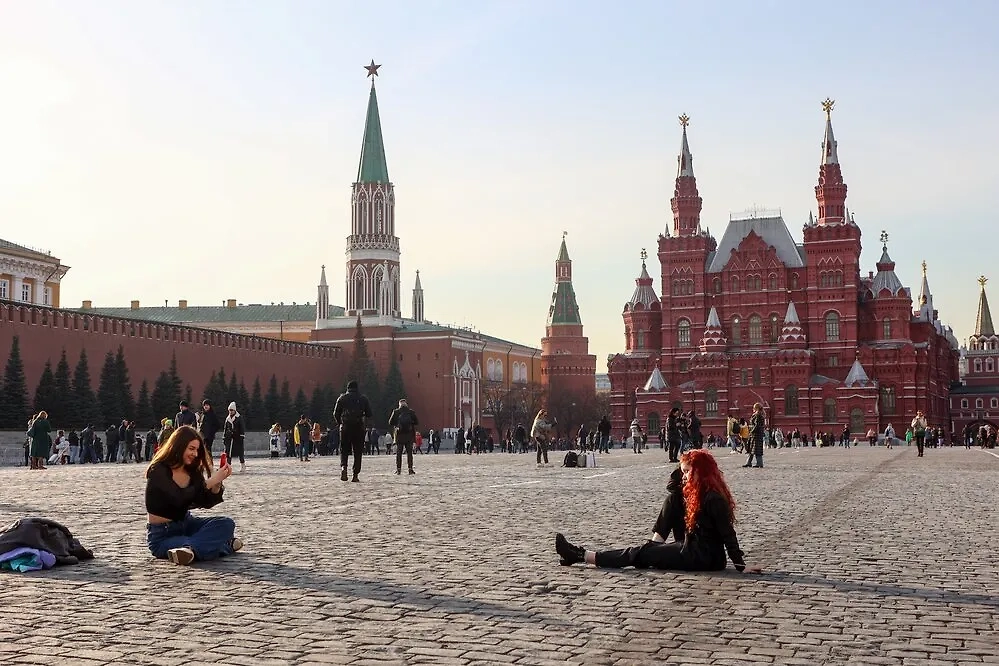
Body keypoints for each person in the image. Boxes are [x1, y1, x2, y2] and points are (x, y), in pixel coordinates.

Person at [554, 449, 762, 574]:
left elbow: (728, 534)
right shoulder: (698, 492)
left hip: (701, 557)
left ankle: (582, 555)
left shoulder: (713, 499)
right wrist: (683, 467)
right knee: (673, 499)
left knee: (640, 553)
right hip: (693, 549)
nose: (684, 477)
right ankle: (653, 548)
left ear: (701, 471)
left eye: (688, 472)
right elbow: (672, 488)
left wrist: (741, 565)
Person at [144, 425, 242, 565]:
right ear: (179, 446)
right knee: (187, 542)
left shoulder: (191, 470)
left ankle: (194, 549)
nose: (195, 454)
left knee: (226, 523)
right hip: (162, 535)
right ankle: (220, 546)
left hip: (187, 523)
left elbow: (203, 501)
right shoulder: (159, 469)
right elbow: (178, 498)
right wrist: (210, 481)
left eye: (197, 450)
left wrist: (217, 484)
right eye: (191, 449)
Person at [333, 380, 373, 482]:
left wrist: (340, 423)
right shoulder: (363, 398)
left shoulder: (342, 398)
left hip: (345, 427)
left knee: (344, 449)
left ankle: (344, 468)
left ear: (348, 388)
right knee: (358, 451)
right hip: (358, 427)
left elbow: (335, 413)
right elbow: (369, 413)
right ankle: (355, 475)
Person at [388, 399, 419, 475]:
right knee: (409, 453)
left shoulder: (396, 412)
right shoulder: (411, 412)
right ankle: (410, 469)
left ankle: (398, 469)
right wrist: (411, 423)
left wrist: (397, 424)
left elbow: (390, 422)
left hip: (399, 435)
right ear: (406, 404)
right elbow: (417, 422)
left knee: (399, 453)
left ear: (399, 404)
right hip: (409, 435)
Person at [223, 402, 246, 473]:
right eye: (229, 410)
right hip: (229, 438)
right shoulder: (227, 419)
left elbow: (242, 427)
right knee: (228, 453)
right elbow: (225, 428)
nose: (230, 411)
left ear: (235, 410)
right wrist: (224, 437)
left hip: (237, 438)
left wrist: (242, 436)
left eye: (232, 410)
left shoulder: (239, 418)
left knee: (240, 453)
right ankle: (228, 467)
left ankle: (243, 465)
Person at [743, 403, 765, 468]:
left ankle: (759, 463)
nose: (753, 409)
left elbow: (756, 425)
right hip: (756, 434)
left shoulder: (758, 415)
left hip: (756, 434)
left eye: (754, 408)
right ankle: (748, 462)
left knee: (756, 450)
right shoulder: (759, 415)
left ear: (757, 408)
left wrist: (752, 431)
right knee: (751, 449)